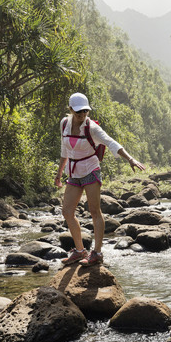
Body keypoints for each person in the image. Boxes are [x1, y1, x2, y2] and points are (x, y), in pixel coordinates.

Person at [54, 92, 145, 266]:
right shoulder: (64, 124)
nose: (82, 115)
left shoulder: (91, 128)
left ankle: (97, 253)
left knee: (94, 211)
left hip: (90, 170)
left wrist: (130, 159)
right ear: (71, 109)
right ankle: (80, 251)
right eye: (79, 112)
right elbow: (64, 150)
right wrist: (59, 173)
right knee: (67, 211)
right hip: (73, 172)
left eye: (85, 112)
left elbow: (111, 142)